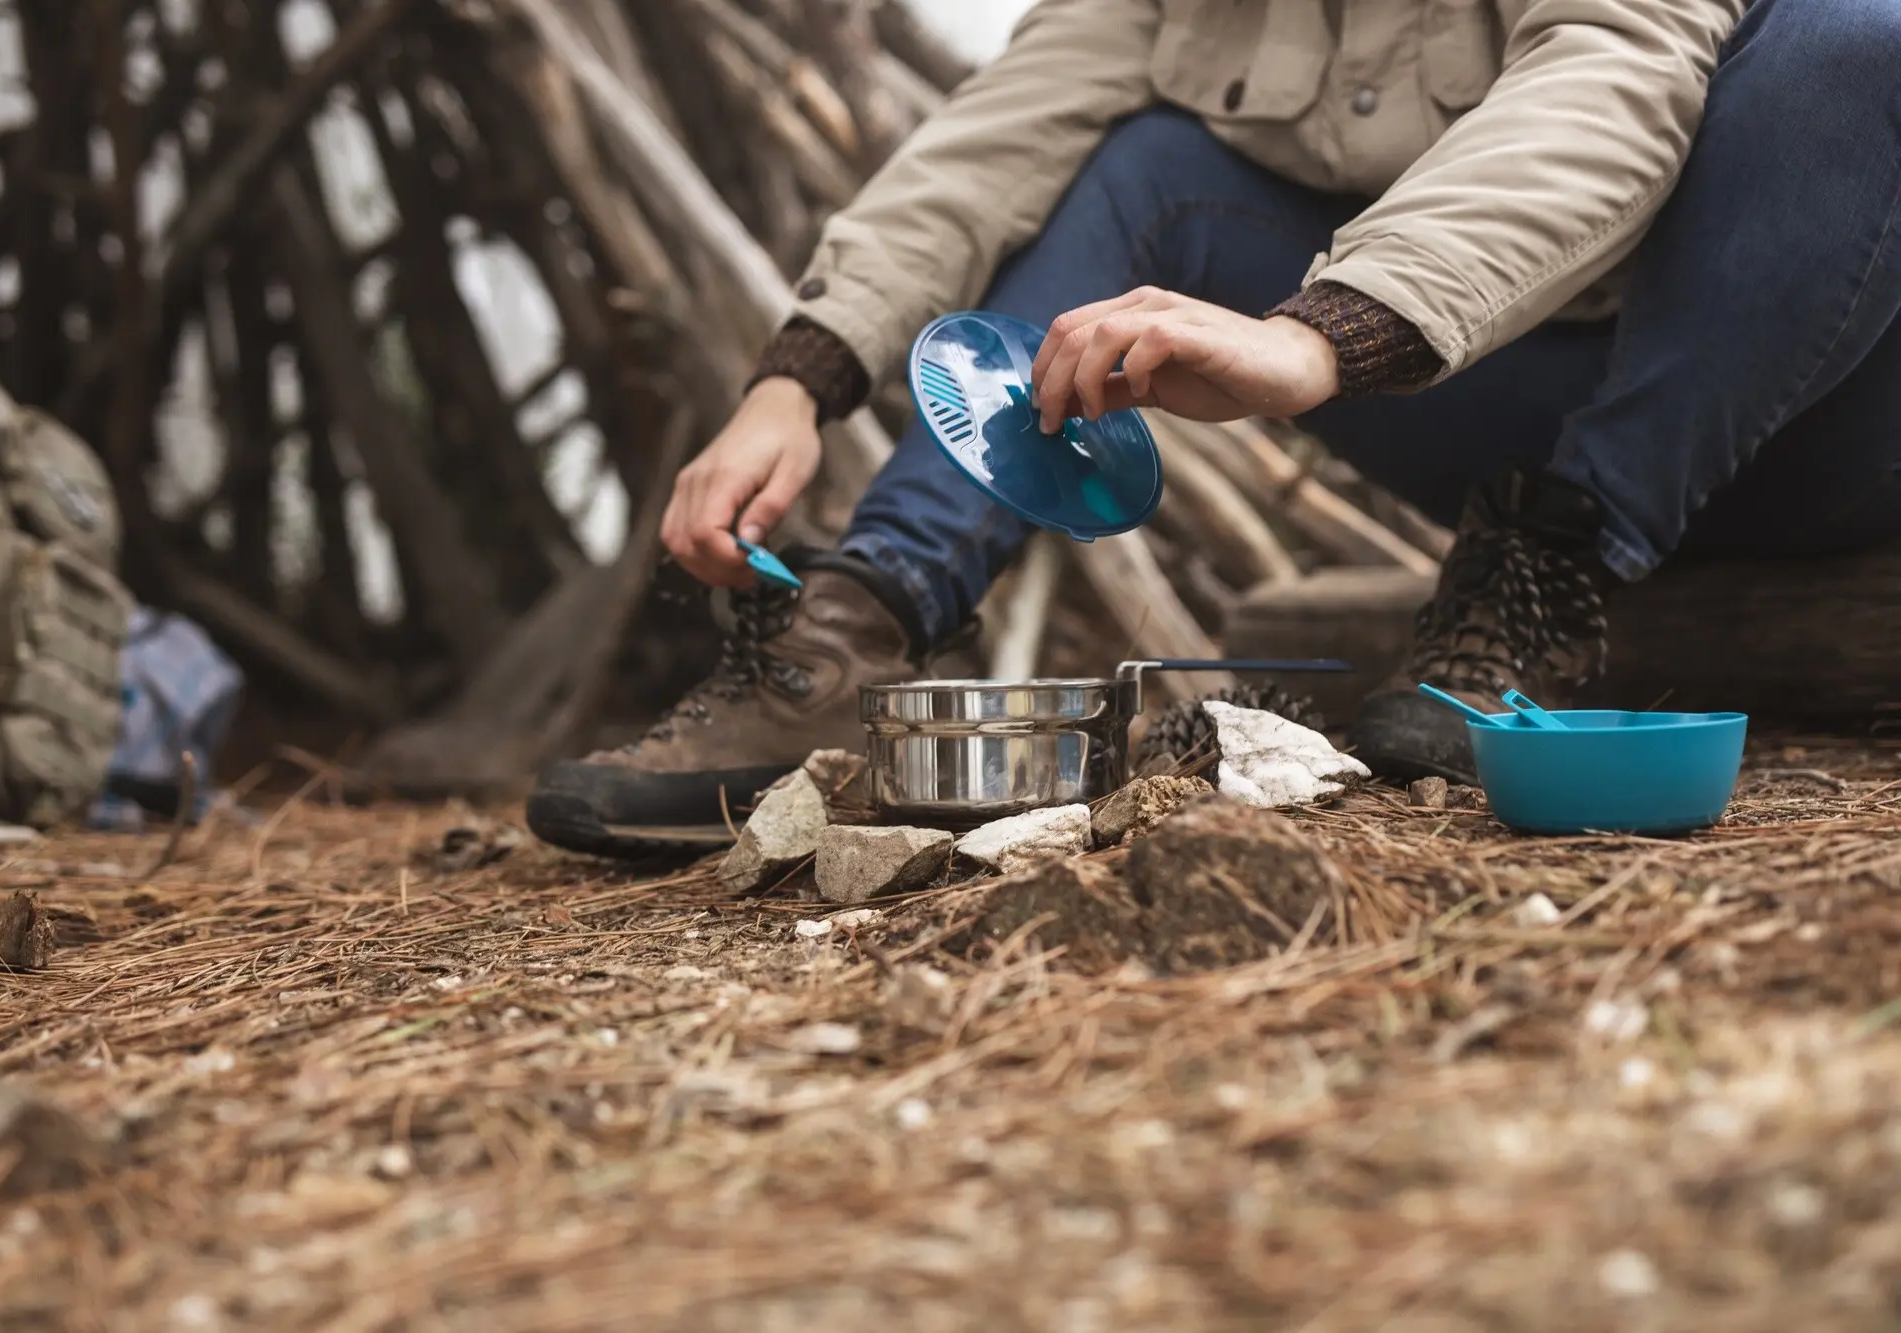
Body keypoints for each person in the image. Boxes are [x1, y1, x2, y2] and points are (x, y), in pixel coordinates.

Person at [527, 0, 1901, 851]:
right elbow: (1000, 133)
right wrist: (798, 379)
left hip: (1815, 408)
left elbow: (1602, 89)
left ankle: (1543, 573)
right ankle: (855, 626)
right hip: (1496, 410)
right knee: (1148, 162)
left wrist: (1321, 335)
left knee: (1859, 40)